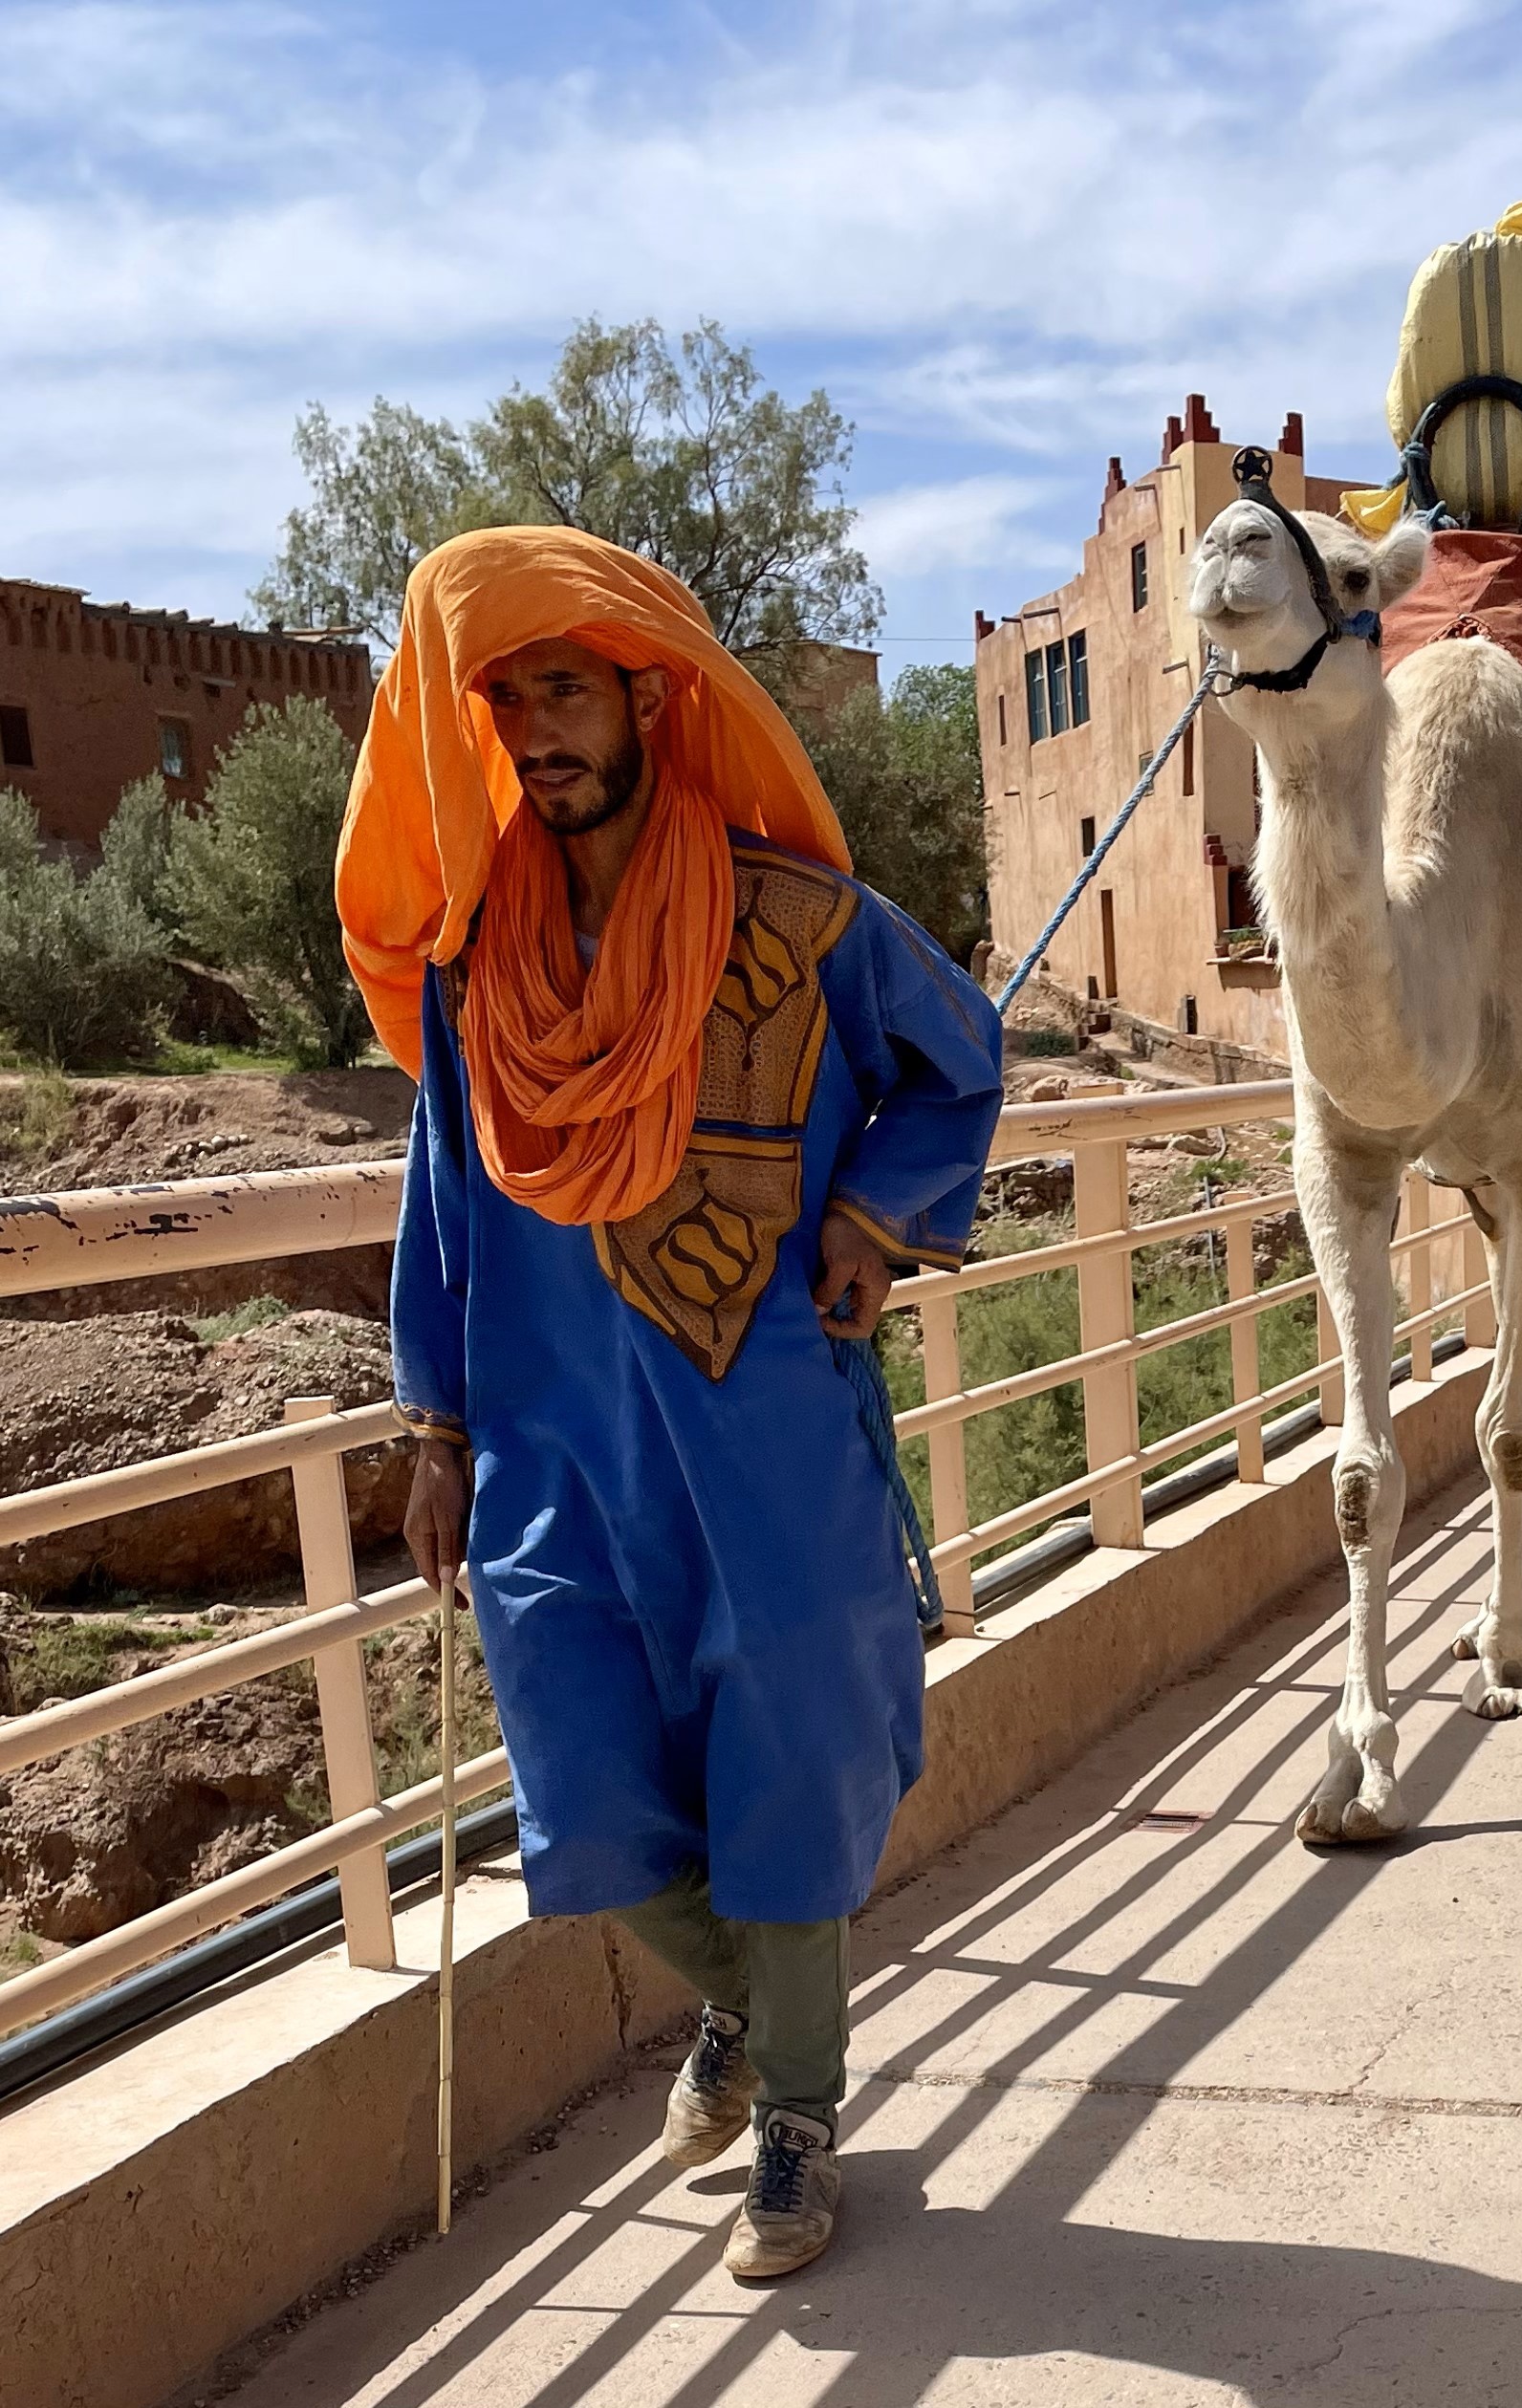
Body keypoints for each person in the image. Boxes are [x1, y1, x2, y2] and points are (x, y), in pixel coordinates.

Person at [337, 528, 1003, 2281]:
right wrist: (435, 1432)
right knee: (589, 1793)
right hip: (557, 1448)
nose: (536, 730)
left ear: (647, 699)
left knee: (789, 1761)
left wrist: (869, 1211)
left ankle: (796, 2109)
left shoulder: (800, 919)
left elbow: (960, 1055)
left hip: (765, 1433)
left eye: (564, 690)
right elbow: (443, 1209)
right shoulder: (484, 971)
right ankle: (747, 2016)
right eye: (509, 702)